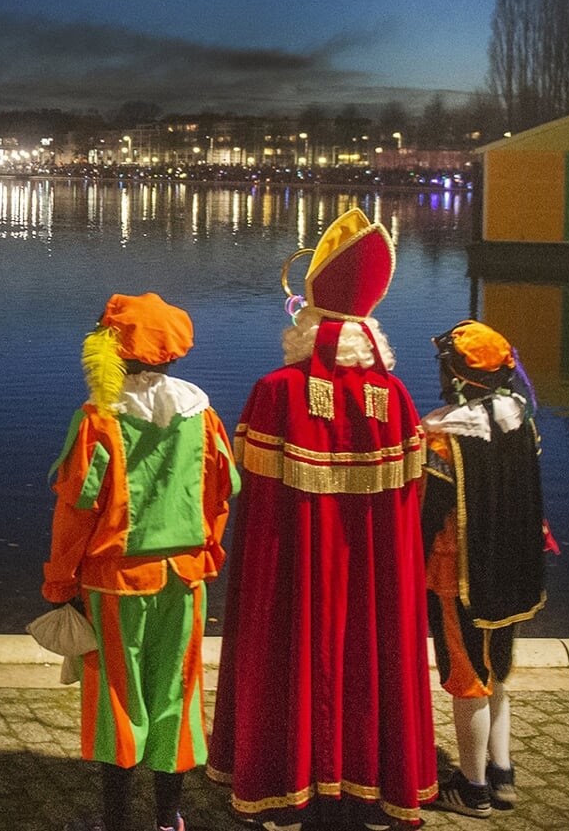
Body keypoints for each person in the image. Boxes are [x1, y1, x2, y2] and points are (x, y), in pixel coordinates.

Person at [208, 209, 437, 830]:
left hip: (293, 574)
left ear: (307, 325)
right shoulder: (398, 398)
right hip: (374, 582)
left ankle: (290, 778)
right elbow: (410, 502)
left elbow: (251, 500)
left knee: (295, 653)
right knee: (371, 653)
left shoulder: (276, 392)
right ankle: (370, 783)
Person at [44, 293, 239, 831]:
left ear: (112, 350)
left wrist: (59, 582)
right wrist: (209, 556)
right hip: (185, 579)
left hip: (115, 583)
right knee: (174, 691)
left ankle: (114, 823)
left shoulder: (99, 420)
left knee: (117, 698)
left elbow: (75, 512)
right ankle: (167, 819)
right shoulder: (203, 415)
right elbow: (220, 496)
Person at [421, 320, 549, 818]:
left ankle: (472, 789)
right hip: (514, 568)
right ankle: (501, 770)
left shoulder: (442, 436)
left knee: (466, 679)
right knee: (497, 674)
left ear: (456, 374)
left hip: (460, 576)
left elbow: (428, 517)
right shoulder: (522, 419)